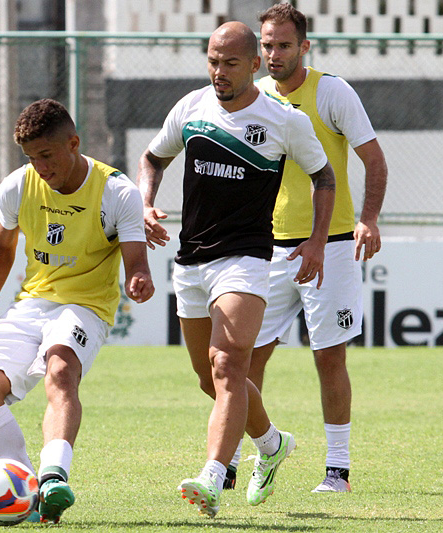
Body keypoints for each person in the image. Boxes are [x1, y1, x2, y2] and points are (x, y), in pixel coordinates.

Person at [136, 21, 335, 517]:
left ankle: (211, 474)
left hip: (246, 259)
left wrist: (316, 242)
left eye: (229, 63)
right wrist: (144, 203)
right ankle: (271, 444)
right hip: (190, 260)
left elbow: (324, 176)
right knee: (209, 378)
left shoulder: (284, 119)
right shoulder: (190, 107)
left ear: (253, 65)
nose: (218, 72)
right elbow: (153, 157)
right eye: (212, 61)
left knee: (229, 366)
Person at [0, 99, 154, 524]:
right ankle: (29, 492)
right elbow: (2, 246)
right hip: (31, 303)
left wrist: (138, 278)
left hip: (86, 306)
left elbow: (137, 262)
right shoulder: (18, 185)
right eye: (31, 158)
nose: (40, 167)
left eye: (46, 156)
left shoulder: (117, 191)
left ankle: (53, 477)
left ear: (73, 143)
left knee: (60, 369)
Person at [247, 3, 388, 494]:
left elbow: (374, 160)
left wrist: (368, 220)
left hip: (331, 245)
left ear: (304, 46)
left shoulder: (332, 91)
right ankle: (260, 453)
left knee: (328, 356)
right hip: (266, 250)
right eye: (266, 45)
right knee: (246, 360)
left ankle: (338, 470)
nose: (273, 54)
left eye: (283, 45)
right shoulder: (254, 97)